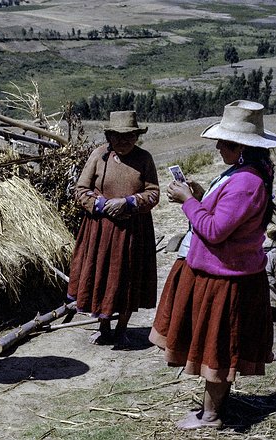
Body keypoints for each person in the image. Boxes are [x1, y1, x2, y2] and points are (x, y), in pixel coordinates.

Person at [149, 100, 275, 430]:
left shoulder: (248, 182)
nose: (218, 147)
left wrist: (188, 202)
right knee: (215, 347)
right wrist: (203, 196)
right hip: (224, 272)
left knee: (217, 348)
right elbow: (226, 216)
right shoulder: (245, 173)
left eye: (226, 143)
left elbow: (216, 231)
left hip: (227, 279)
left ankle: (212, 416)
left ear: (244, 148)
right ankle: (213, 410)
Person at [67, 110, 160, 349]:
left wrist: (128, 203)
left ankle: (121, 329)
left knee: (127, 277)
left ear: (137, 136)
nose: (124, 141)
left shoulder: (144, 159)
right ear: (109, 136)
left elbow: (153, 193)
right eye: (118, 136)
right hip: (100, 229)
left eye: (129, 136)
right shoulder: (99, 156)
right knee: (103, 275)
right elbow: (80, 189)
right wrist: (101, 204)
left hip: (133, 231)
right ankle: (104, 327)